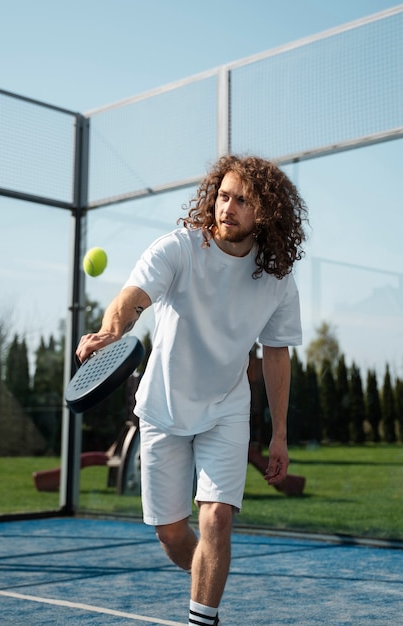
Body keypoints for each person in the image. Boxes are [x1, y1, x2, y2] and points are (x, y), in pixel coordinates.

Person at [76, 154, 308, 625]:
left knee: (217, 519)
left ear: (265, 211)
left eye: (243, 200)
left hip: (226, 408)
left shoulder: (278, 280)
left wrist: (279, 433)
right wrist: (110, 333)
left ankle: (203, 615)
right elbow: (131, 298)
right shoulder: (179, 248)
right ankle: (208, 569)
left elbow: (277, 354)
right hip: (162, 407)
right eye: (224, 196)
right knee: (171, 535)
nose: (229, 207)